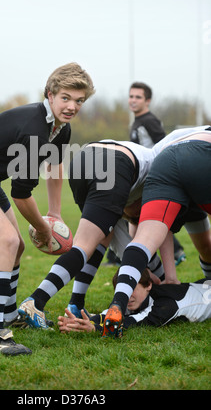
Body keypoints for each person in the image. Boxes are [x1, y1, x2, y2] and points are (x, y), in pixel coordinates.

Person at [0, 62, 95, 355]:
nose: (72, 106)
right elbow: (22, 194)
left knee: (19, 247)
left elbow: (54, 167)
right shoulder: (34, 129)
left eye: (79, 101)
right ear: (50, 94)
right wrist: (43, 228)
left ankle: (12, 315)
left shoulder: (61, 129)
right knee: (8, 241)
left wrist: (55, 215)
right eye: (65, 97)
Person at [18, 126, 211, 329]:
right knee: (86, 244)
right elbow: (158, 233)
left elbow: (127, 247)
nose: (133, 218)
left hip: (83, 160)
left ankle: (75, 303)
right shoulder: (160, 167)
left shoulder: (164, 157)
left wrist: (154, 276)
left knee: (98, 239)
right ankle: (36, 301)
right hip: (116, 164)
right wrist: (166, 278)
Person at [103, 126, 211, 338]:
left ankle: (118, 303)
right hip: (199, 156)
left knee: (144, 239)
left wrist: (170, 278)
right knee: (204, 243)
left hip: (166, 161)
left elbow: (151, 230)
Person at [105, 81, 185, 266]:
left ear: (147, 101)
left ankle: (124, 258)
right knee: (136, 216)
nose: (133, 100)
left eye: (138, 97)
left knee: (134, 214)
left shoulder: (149, 121)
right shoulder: (138, 121)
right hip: (141, 176)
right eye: (131, 96)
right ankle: (125, 258)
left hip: (150, 177)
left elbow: (164, 146)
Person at [57, 269, 211, 335]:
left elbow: (135, 322)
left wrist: (95, 329)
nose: (127, 296)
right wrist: (79, 321)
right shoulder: (137, 298)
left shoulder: (167, 304)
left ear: (149, 285)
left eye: (132, 290)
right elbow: (110, 314)